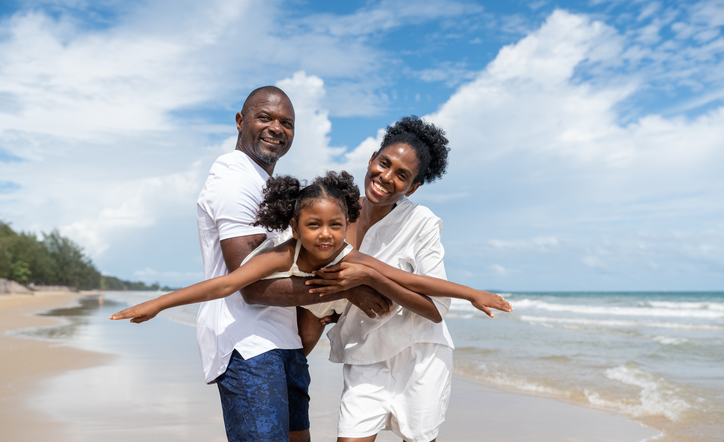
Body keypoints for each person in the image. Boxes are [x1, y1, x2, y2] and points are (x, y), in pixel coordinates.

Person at [114, 86, 391, 442]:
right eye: (265, 118)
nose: (276, 128)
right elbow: (250, 285)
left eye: (286, 123)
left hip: (283, 339)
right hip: (245, 339)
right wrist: (348, 287)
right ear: (241, 121)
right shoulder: (233, 180)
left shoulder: (264, 183)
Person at [240, 116, 512, 442]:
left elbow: (433, 311)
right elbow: (303, 257)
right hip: (364, 355)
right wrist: (347, 291)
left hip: (420, 355)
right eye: (384, 163)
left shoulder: (423, 222)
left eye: (402, 175)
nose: (387, 177)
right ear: (372, 159)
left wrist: (368, 277)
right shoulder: (338, 209)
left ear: (412, 188)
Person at [111, 170, 507, 350]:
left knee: (360, 296)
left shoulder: (355, 257)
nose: (326, 234)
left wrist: (472, 293)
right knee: (301, 349)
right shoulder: (288, 252)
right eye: (314, 225)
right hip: (313, 311)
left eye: (336, 225)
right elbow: (227, 283)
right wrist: (158, 304)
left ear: (347, 223)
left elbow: (416, 282)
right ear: (296, 228)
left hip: (336, 309)